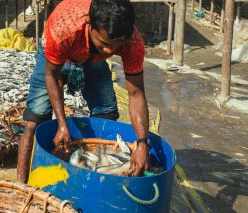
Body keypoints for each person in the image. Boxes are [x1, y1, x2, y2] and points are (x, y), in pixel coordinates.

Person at [17, 0, 151, 182]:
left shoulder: (132, 42)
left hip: (94, 59)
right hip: (58, 56)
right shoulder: (64, 29)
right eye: (104, 43)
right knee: (34, 120)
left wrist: (143, 143)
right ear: (89, 25)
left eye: (116, 45)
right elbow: (52, 75)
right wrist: (62, 124)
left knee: (107, 115)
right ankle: (21, 185)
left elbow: (136, 94)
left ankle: (99, 181)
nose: (110, 50)